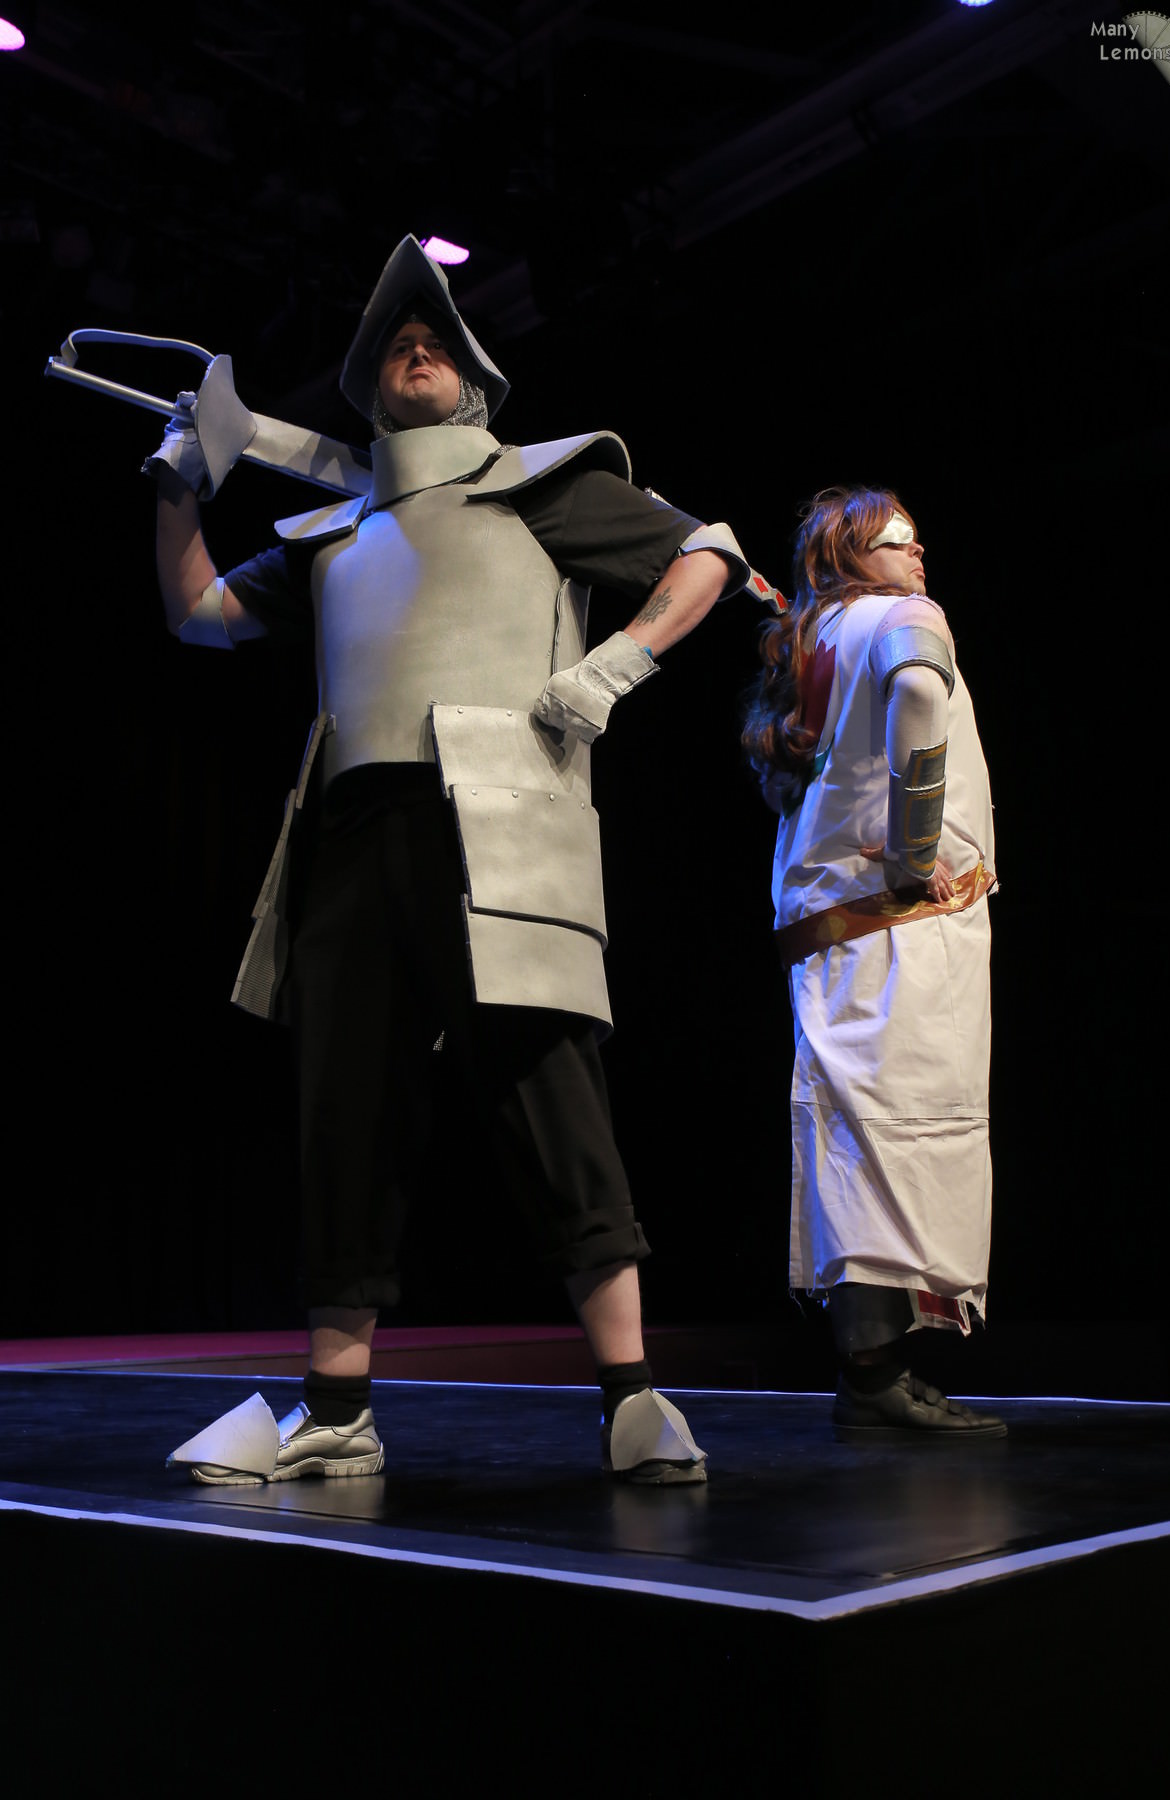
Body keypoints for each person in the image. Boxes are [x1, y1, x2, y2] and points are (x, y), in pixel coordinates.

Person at [150, 235, 750, 1485]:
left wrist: (615, 664)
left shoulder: (544, 485)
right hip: (349, 835)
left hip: (498, 818)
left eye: (435, 342)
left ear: (475, 384)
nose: (412, 350)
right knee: (345, 1115)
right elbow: (200, 615)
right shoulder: (331, 531)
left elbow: (711, 553)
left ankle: (634, 1397)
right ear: (371, 397)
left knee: (550, 1093)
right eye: (393, 348)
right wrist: (177, 491)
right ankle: (337, 1409)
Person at [743, 485, 1005, 1440]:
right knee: (904, 1130)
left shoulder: (810, 641)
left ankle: (872, 1368)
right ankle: (874, 1376)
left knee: (857, 1133)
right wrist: (913, 849)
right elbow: (923, 695)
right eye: (897, 542)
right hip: (899, 923)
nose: (918, 555)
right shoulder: (904, 620)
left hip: (829, 930)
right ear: (848, 557)